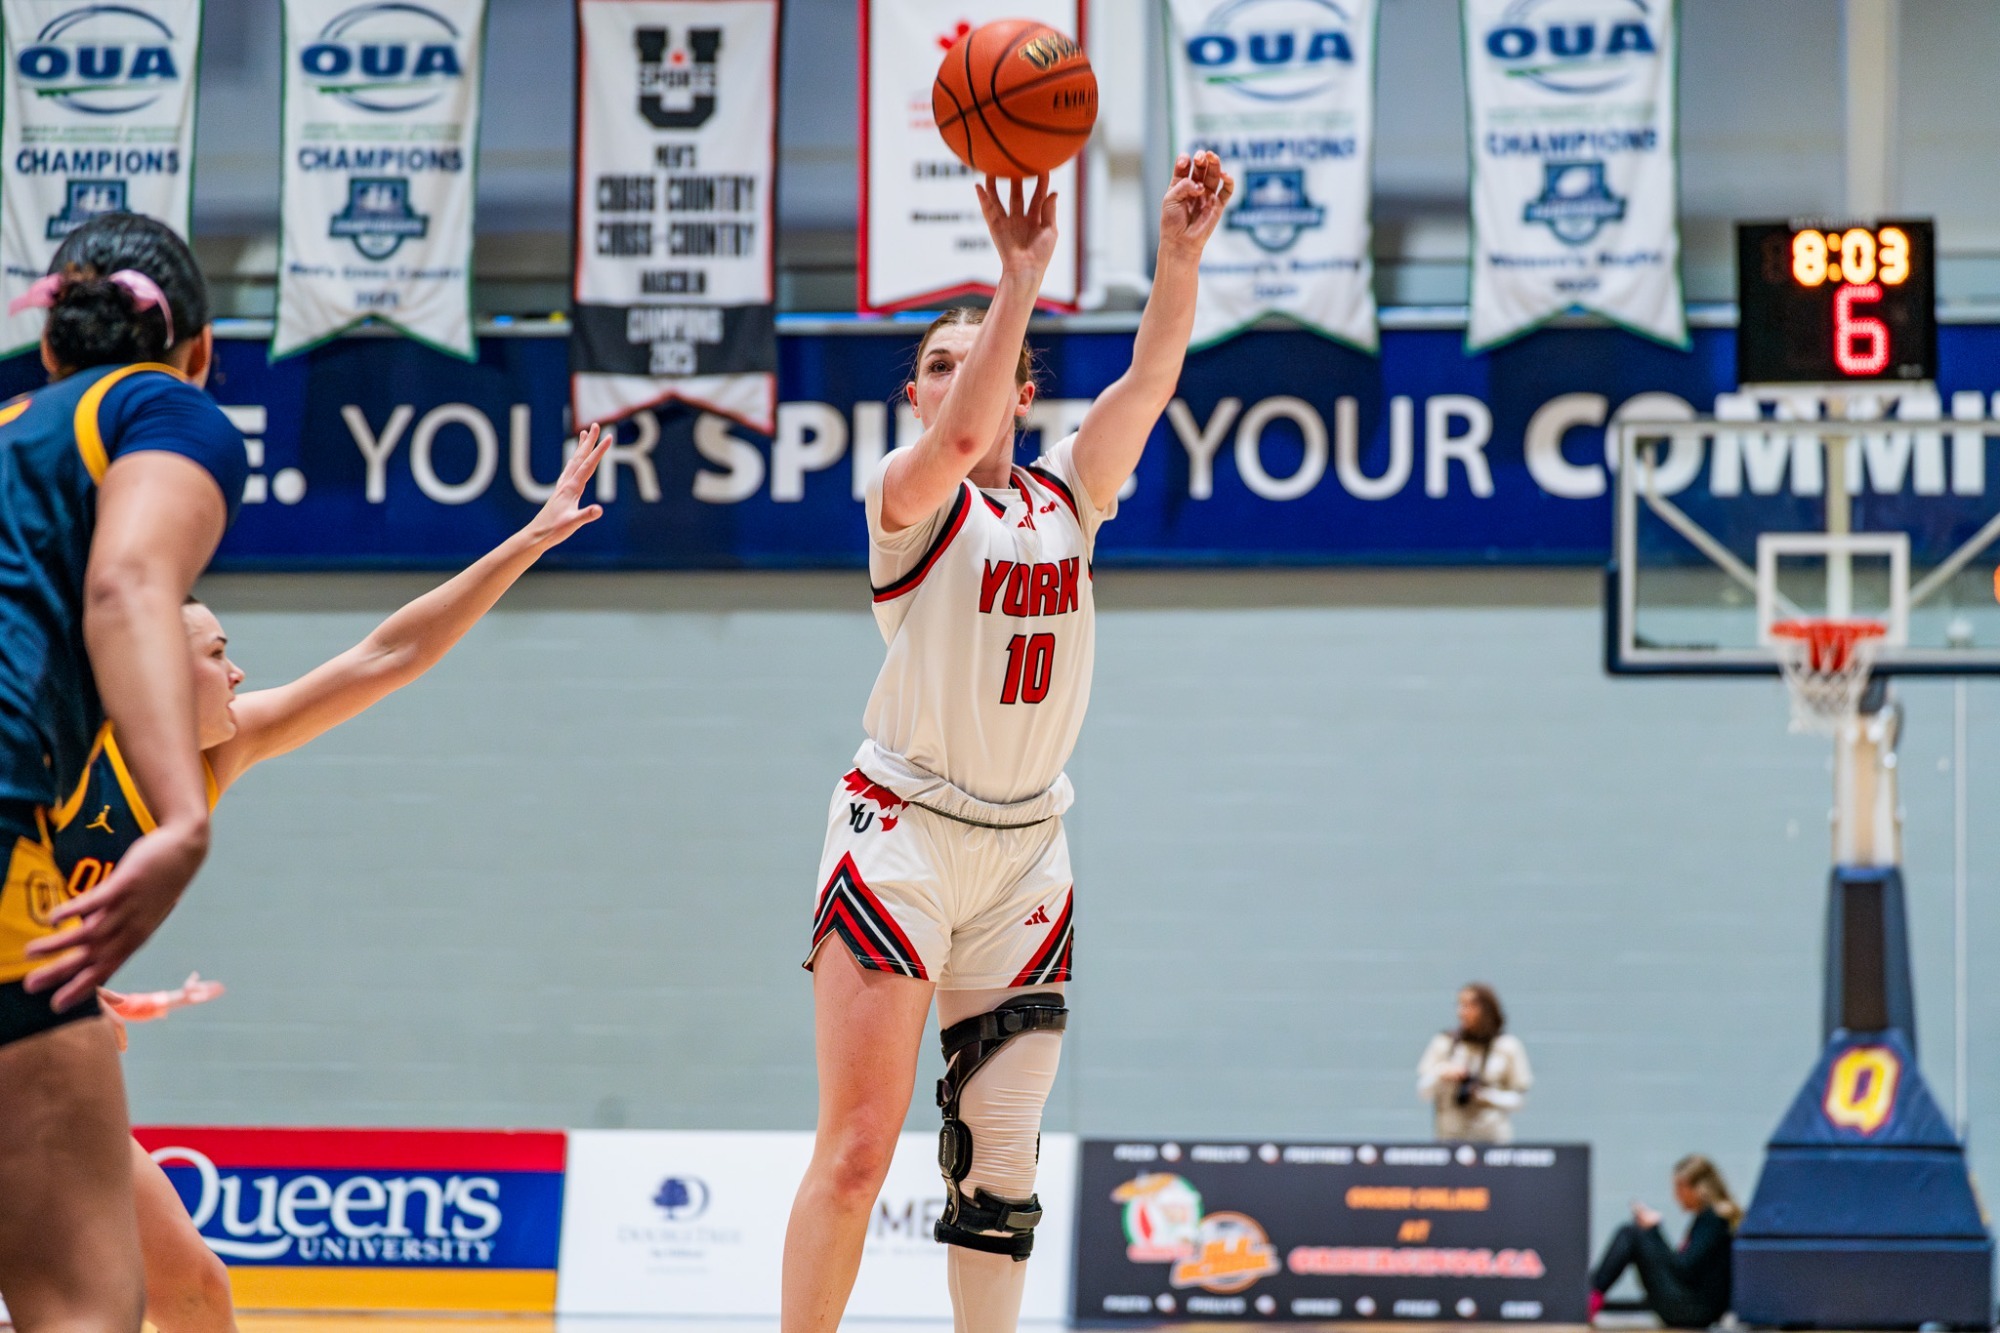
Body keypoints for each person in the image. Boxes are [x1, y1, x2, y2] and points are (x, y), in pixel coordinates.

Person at [780, 152, 1233, 1333]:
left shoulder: (1064, 496)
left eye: (972, 361)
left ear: (1024, 391)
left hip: (1028, 851)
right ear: (918, 399)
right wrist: (1018, 276)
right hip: (903, 833)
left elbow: (1148, 379)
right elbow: (967, 423)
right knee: (858, 1149)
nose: (953, 381)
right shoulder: (903, 494)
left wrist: (1177, 259)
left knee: (1001, 1175)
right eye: (933, 365)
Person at [48, 426, 610, 1333]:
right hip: (26, 1046)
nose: (239, 670)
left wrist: (530, 539)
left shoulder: (213, 755)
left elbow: (387, 655)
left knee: (191, 1286)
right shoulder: (59, 741)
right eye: (216, 650)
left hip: (35, 1054)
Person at [0, 213, 249, 1333]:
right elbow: (126, 585)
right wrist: (182, 818)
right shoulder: (158, 412)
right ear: (197, 350)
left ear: (47, 347)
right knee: (87, 1307)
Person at [1588, 1154, 1739, 1328]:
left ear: (1697, 1188)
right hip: (1696, 1306)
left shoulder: (1713, 1220)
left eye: (1680, 1187)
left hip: (1695, 1312)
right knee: (1633, 1233)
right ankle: (1592, 1294)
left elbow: (1684, 1268)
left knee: (1632, 1234)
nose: (1676, 1195)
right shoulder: (1710, 1218)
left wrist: (1654, 1230)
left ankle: (1592, 1296)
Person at [1417, 982, 1532, 1143]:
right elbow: (1423, 1092)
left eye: (1470, 1006)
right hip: (1450, 1138)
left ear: (1487, 1009)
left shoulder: (1507, 1047)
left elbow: (1519, 1101)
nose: (1462, 1012)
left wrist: (1485, 1095)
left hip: (1492, 1140)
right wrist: (1441, 1072)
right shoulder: (1444, 1043)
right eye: (1460, 1005)